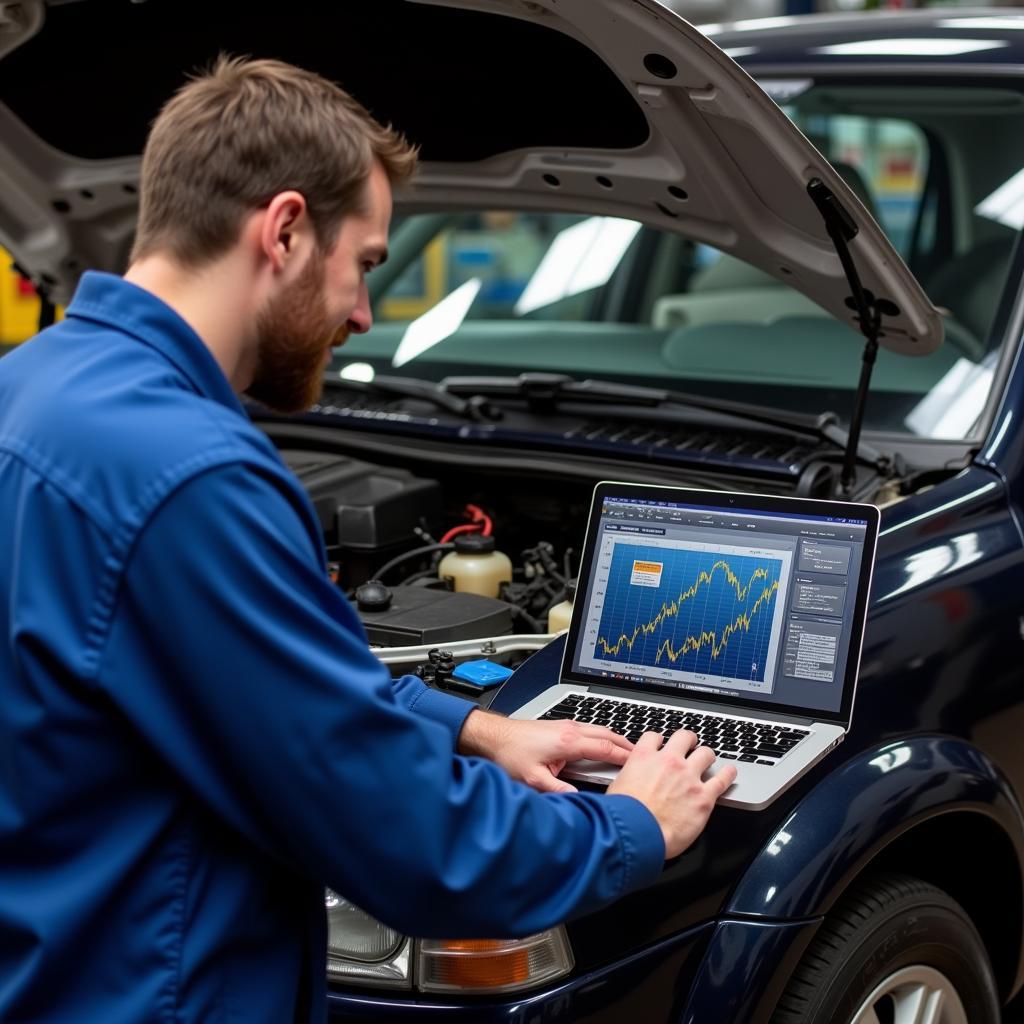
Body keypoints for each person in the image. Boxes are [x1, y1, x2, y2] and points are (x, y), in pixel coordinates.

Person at [0, 57, 736, 1023]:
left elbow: (237, 687)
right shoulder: (194, 475)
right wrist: (632, 824)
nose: (361, 313)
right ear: (287, 229)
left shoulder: (33, 393)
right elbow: (412, 842)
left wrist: (473, 728)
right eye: (368, 263)